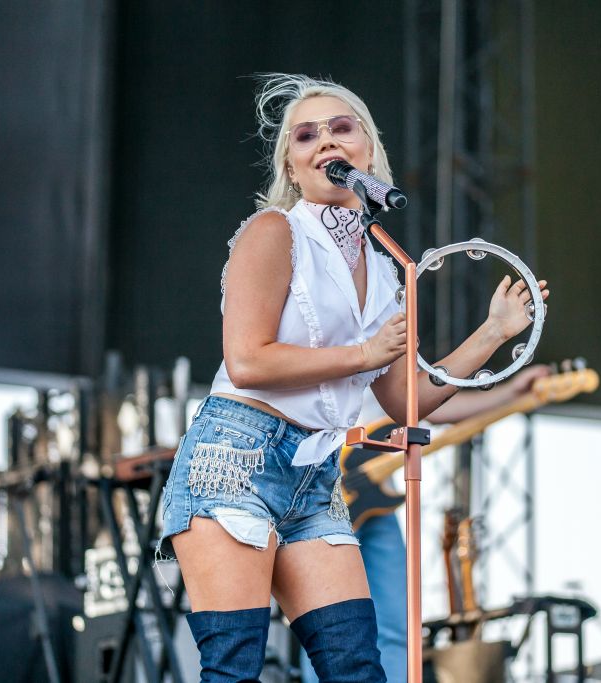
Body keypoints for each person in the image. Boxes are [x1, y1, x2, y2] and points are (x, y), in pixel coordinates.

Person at [156, 73, 549, 683]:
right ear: (292, 166)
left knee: (357, 667)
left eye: (341, 128)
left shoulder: (387, 266)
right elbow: (248, 361)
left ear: (368, 149)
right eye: (305, 136)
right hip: (233, 458)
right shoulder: (273, 232)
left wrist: (493, 333)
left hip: (315, 473)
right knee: (234, 668)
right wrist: (363, 353)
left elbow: (405, 398)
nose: (325, 142)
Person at [298, 365, 552, 683]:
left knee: (398, 623)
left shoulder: (387, 342)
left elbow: (430, 403)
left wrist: (511, 392)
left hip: (373, 502)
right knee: (328, 625)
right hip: (319, 483)